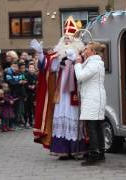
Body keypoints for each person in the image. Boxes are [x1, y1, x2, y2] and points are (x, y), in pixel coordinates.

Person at [49, 16, 87, 159]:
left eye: (69, 38)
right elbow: (50, 69)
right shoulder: (58, 55)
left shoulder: (80, 55)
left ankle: (77, 149)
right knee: (62, 117)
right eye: (64, 38)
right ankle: (63, 150)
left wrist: (73, 59)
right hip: (61, 93)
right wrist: (42, 55)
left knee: (74, 117)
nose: (66, 40)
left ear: (75, 42)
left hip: (74, 92)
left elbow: (82, 68)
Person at [74, 41, 107, 166]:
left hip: (93, 98)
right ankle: (100, 154)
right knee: (97, 126)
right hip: (94, 97)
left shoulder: (94, 64)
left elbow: (81, 77)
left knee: (92, 127)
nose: (84, 50)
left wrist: (77, 64)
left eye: (86, 49)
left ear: (92, 51)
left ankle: (94, 154)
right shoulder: (94, 63)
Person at [32, 39, 58, 149]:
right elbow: (44, 65)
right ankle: (54, 142)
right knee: (51, 114)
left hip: (67, 91)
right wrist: (40, 53)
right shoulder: (50, 58)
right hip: (53, 90)